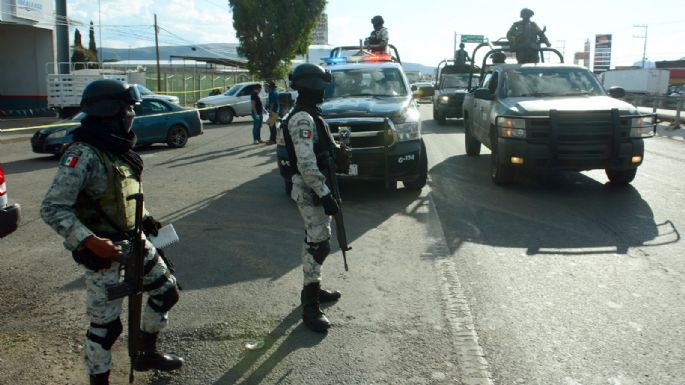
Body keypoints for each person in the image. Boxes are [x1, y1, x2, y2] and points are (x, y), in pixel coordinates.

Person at [40, 79, 183, 385]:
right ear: (110, 112)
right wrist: (90, 242)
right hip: (103, 252)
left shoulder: (117, 147)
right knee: (105, 328)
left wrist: (145, 218)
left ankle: (146, 352)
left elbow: (123, 194)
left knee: (166, 291)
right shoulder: (84, 153)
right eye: (127, 108)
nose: (131, 113)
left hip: (135, 242)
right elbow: (53, 208)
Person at [282, 63, 343, 333]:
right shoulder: (302, 119)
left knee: (319, 239)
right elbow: (306, 165)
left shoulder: (311, 114)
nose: (323, 93)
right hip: (310, 189)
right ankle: (310, 304)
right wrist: (325, 194)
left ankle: (314, 288)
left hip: (316, 188)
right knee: (318, 244)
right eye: (320, 87)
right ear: (309, 88)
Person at [265, 80, 280, 145]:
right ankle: (273, 138)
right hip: (276, 110)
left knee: (271, 125)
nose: (267, 88)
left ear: (270, 87)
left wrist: (270, 111)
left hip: (273, 111)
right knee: (272, 125)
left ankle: (273, 140)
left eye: (268, 87)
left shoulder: (271, 93)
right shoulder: (276, 92)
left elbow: (272, 103)